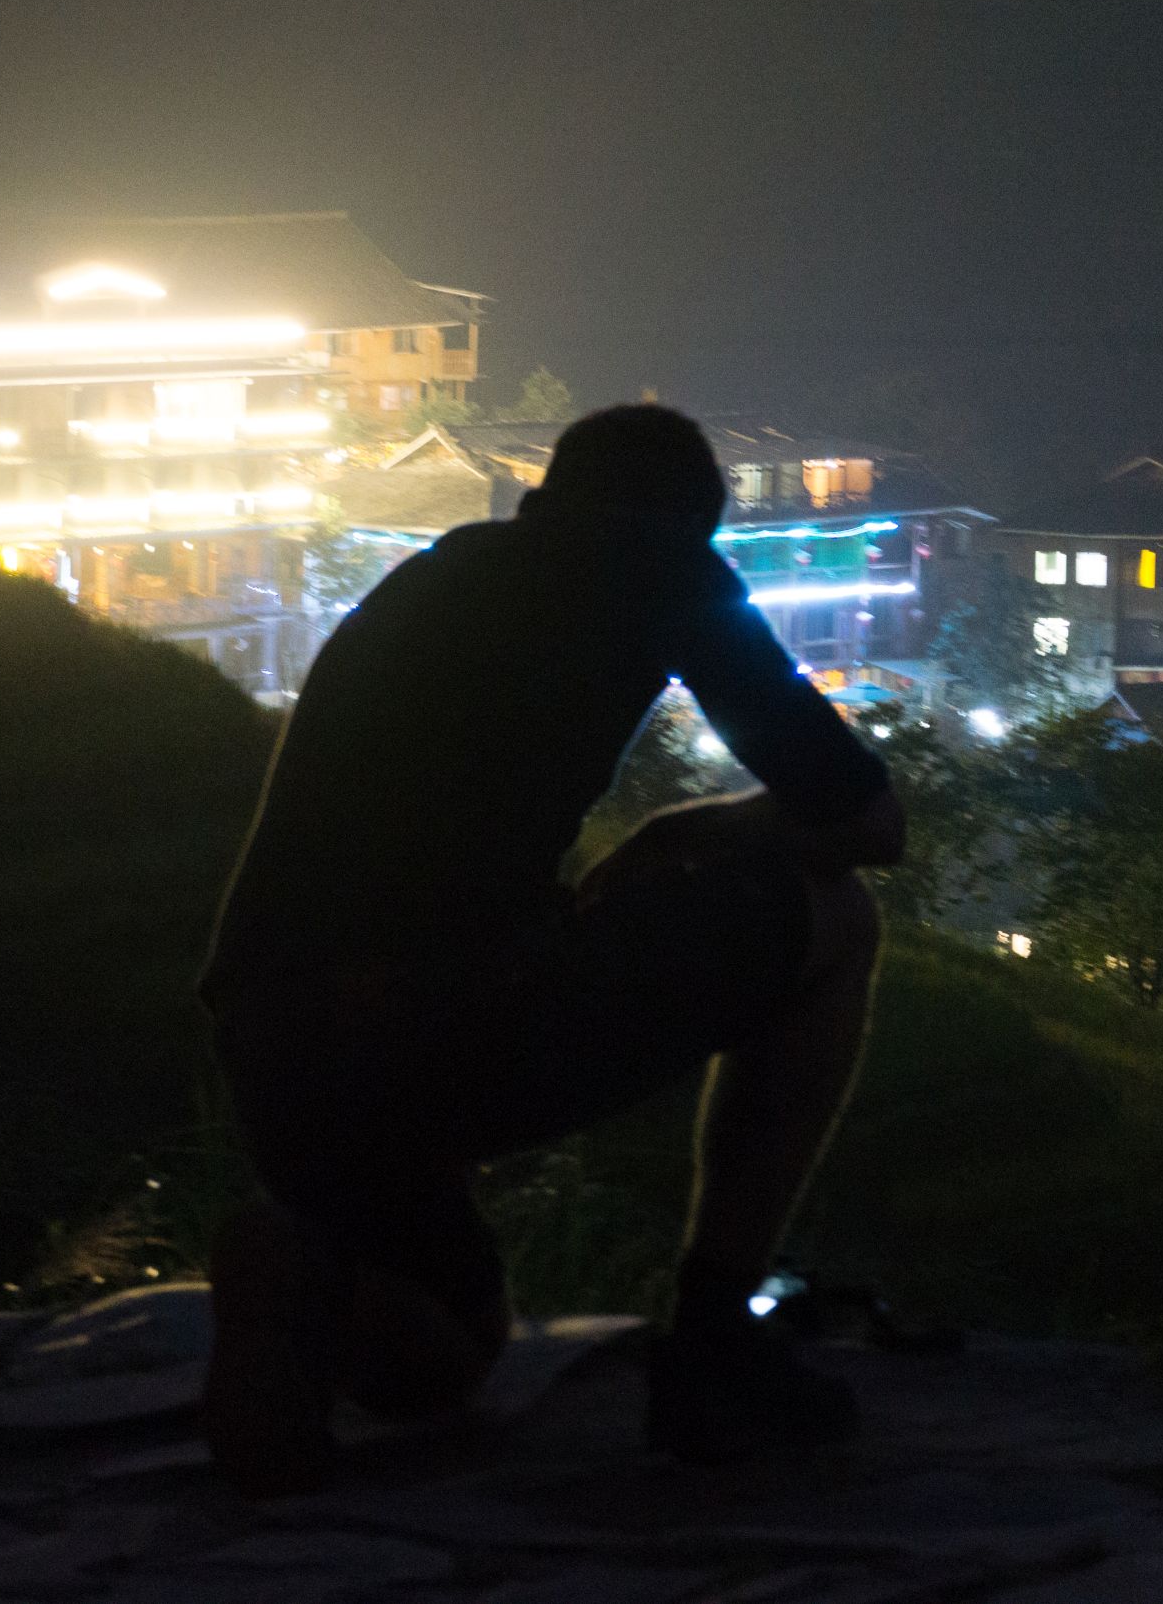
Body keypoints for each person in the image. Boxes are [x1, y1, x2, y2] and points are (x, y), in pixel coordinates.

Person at [197, 404, 903, 1498]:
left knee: (449, 1358)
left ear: (544, 495)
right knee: (837, 920)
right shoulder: (664, 570)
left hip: (275, 1045)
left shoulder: (434, 573)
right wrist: (694, 829)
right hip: (446, 1010)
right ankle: (714, 1337)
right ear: (695, 525)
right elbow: (866, 822)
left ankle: (309, 1273)